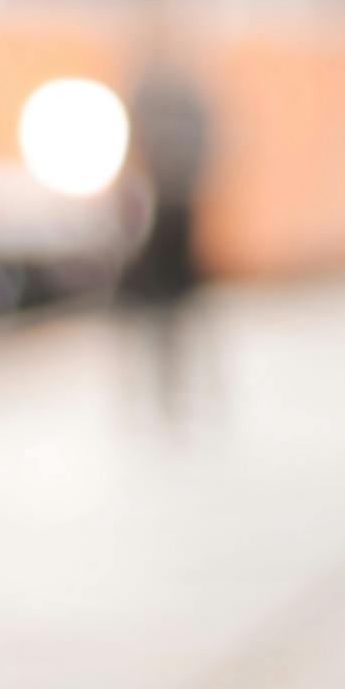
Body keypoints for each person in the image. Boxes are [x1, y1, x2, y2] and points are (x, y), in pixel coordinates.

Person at [112, 36, 216, 430]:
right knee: (161, 306)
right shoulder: (150, 93)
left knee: (177, 304)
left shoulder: (176, 96)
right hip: (155, 213)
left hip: (173, 214)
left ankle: (177, 389)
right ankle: (161, 390)